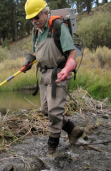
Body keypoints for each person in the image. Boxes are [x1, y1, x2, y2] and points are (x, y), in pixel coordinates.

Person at [23, 0, 84, 156]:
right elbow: (38, 52)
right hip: (43, 74)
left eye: (36, 17)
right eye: (31, 18)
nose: (34, 21)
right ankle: (72, 129)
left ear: (45, 12)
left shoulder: (58, 26)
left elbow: (71, 53)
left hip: (59, 73)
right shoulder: (35, 31)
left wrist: (68, 68)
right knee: (45, 110)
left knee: (54, 112)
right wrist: (30, 60)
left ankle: (52, 150)